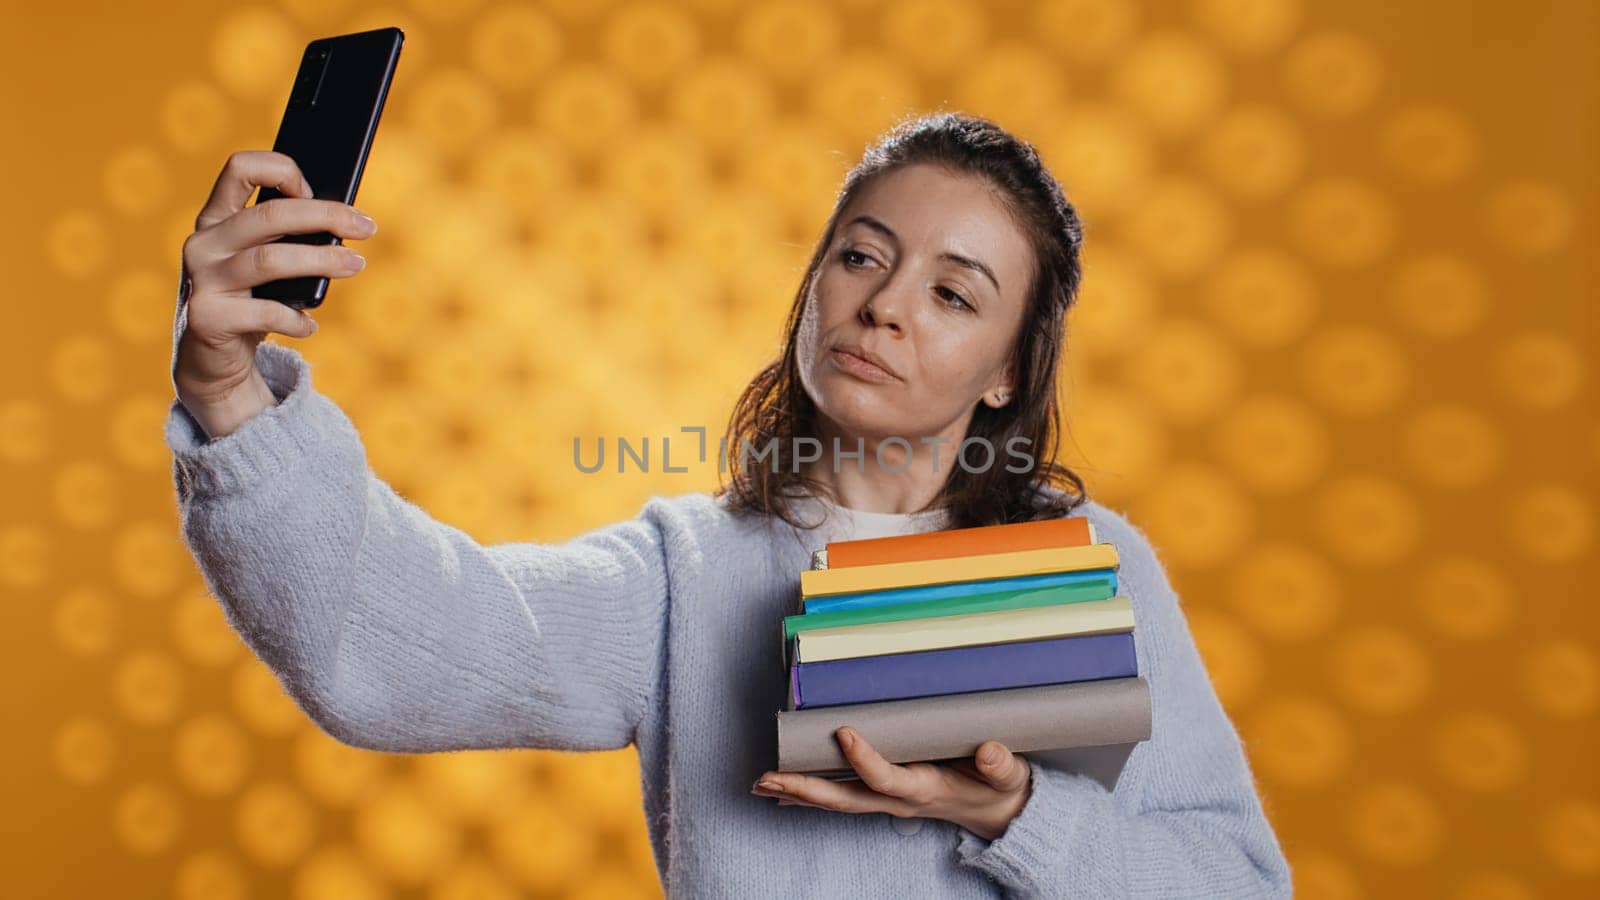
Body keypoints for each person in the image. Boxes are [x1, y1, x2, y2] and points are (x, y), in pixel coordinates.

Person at [165, 112, 1293, 898]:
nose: (886, 306)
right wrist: (226, 394)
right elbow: (389, 638)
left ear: (1008, 369)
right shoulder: (686, 574)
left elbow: (1234, 889)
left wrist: (1013, 817)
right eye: (861, 255)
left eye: (953, 292)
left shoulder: (1084, 569)